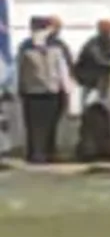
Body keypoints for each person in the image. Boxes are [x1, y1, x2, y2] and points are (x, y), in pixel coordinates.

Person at [16, 17, 71, 162]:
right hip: (49, 89)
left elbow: (20, 70)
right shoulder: (56, 45)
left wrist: (20, 88)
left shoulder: (25, 46)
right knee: (47, 123)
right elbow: (62, 69)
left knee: (35, 124)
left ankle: (38, 153)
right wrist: (66, 88)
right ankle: (44, 152)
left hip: (33, 91)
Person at [74, 19, 110, 105]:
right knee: (92, 96)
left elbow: (109, 56)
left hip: (97, 73)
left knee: (92, 95)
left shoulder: (108, 40)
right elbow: (100, 59)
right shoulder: (94, 42)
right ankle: (89, 113)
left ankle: (93, 111)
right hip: (91, 73)